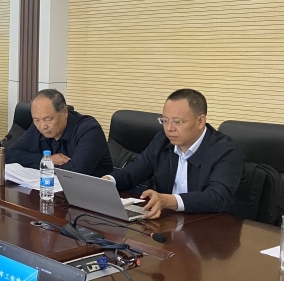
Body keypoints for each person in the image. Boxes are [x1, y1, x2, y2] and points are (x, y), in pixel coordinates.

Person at [103, 89, 244, 219]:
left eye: (177, 122)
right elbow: (132, 173)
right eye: (165, 121)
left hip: (214, 226)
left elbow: (218, 197)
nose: (169, 128)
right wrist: (107, 181)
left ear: (200, 121)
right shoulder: (162, 141)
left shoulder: (226, 150)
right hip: (170, 221)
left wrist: (169, 201)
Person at [5, 89, 112, 175]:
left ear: (64, 112)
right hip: (50, 190)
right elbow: (10, 155)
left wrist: (39, 163)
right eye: (36, 120)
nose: (43, 126)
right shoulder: (37, 127)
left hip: (91, 192)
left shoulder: (89, 130)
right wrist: (47, 160)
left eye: (48, 119)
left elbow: (75, 172)